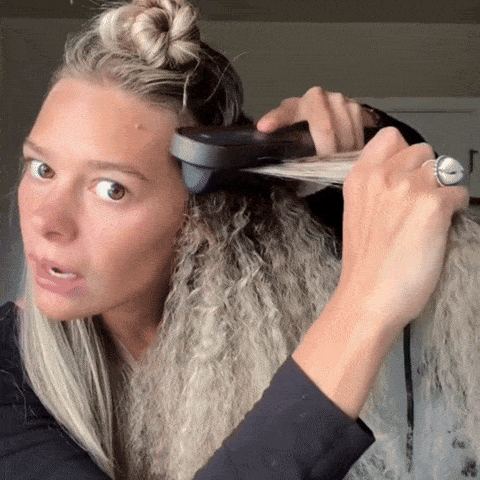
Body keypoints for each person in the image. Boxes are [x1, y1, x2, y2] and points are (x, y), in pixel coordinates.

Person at [0, 0, 471, 479]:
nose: (47, 221)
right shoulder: (6, 370)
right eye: (42, 169)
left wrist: (362, 131)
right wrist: (364, 308)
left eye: (111, 189)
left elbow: (415, 207)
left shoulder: (272, 275)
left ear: (201, 217)